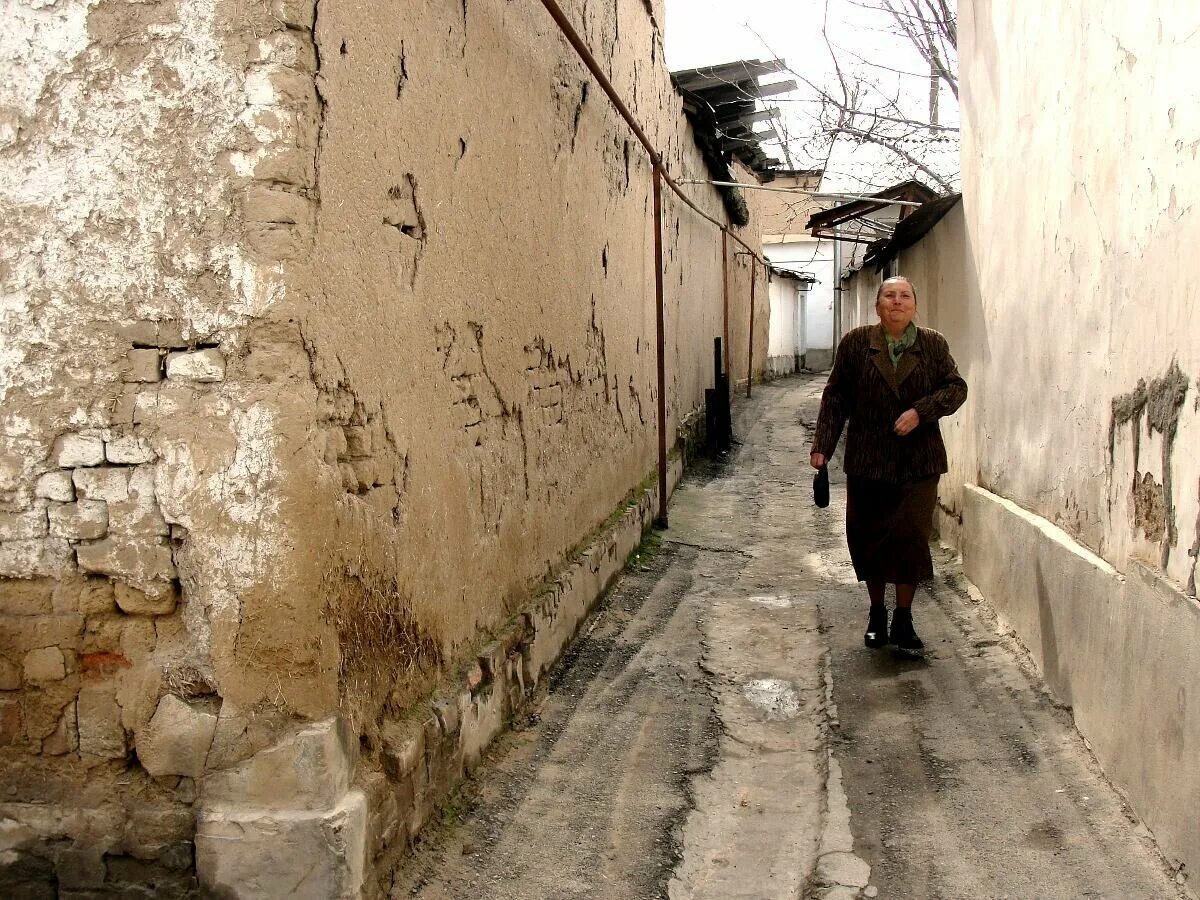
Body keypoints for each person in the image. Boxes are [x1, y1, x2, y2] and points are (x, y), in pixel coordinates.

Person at [809, 276, 967, 656]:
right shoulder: (856, 344)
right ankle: (877, 614)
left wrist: (921, 412)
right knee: (869, 536)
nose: (897, 302)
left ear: (914, 305)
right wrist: (823, 446)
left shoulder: (932, 344)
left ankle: (904, 617)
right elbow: (836, 397)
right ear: (878, 305)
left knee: (910, 537)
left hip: (919, 462)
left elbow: (956, 388)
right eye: (889, 296)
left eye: (905, 296)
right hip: (868, 460)